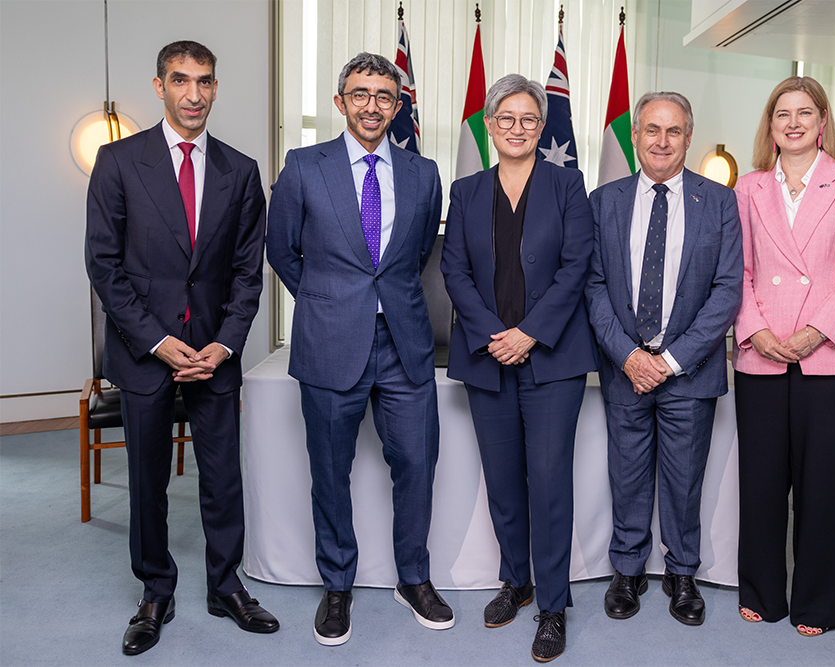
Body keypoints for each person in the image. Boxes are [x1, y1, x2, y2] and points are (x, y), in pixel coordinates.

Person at [85, 40, 277, 656]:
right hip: (146, 357)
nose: (194, 94)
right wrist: (159, 343)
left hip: (214, 357)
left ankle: (225, 586)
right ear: (159, 86)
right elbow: (104, 267)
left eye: (205, 82)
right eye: (180, 80)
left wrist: (223, 345)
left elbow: (249, 274)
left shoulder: (240, 171)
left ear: (216, 88)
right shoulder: (117, 163)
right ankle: (155, 591)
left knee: (223, 480)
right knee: (147, 481)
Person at [266, 52, 452, 646]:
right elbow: (281, 250)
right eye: (360, 93)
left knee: (417, 466)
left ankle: (413, 578)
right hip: (329, 344)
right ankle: (337, 584)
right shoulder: (302, 166)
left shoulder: (423, 175)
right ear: (340, 101)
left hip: (404, 343)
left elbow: (420, 255)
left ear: (397, 106)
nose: (372, 105)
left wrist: (375, 301)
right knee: (330, 469)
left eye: (384, 96)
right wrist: (325, 301)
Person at [441, 74, 597, 663]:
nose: (516, 128)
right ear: (488, 123)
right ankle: (517, 581)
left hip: (552, 360)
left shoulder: (568, 183)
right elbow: (453, 271)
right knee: (504, 483)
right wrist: (493, 335)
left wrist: (529, 333)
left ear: (541, 126)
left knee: (550, 485)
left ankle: (553, 606)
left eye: (528, 119)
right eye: (505, 117)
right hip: (488, 359)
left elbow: (577, 265)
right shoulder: (465, 190)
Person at [585, 91, 743, 627]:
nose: (661, 140)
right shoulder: (603, 200)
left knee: (683, 479)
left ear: (688, 137)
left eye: (673, 131)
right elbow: (595, 285)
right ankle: (626, 570)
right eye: (651, 129)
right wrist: (629, 355)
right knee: (627, 476)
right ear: (635, 136)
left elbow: (726, 292)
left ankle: (682, 574)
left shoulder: (719, 202)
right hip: (624, 367)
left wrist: (671, 360)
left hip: (689, 374)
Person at [732, 76, 835, 637]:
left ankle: (818, 604)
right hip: (763, 350)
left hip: (830, 355)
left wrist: (816, 331)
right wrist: (755, 330)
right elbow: (738, 272)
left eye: (805, 113)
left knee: (824, 484)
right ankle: (763, 592)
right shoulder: (747, 188)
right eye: (781, 114)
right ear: (770, 127)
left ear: (822, 123)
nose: (793, 123)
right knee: (763, 481)